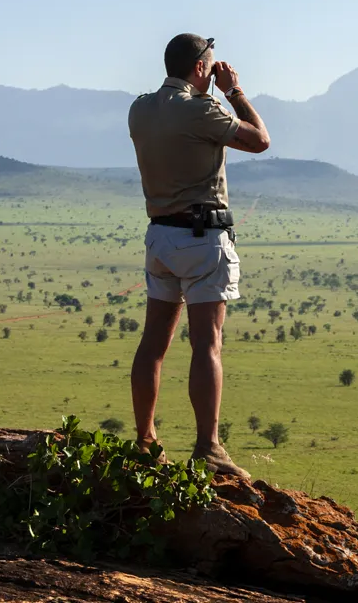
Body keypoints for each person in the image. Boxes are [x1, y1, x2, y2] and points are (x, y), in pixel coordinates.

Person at [128, 33, 270, 478]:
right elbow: (260, 140)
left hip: (160, 239)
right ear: (201, 69)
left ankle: (146, 440)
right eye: (211, 66)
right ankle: (208, 447)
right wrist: (234, 92)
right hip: (201, 238)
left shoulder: (141, 108)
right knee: (207, 344)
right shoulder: (201, 110)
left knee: (153, 344)